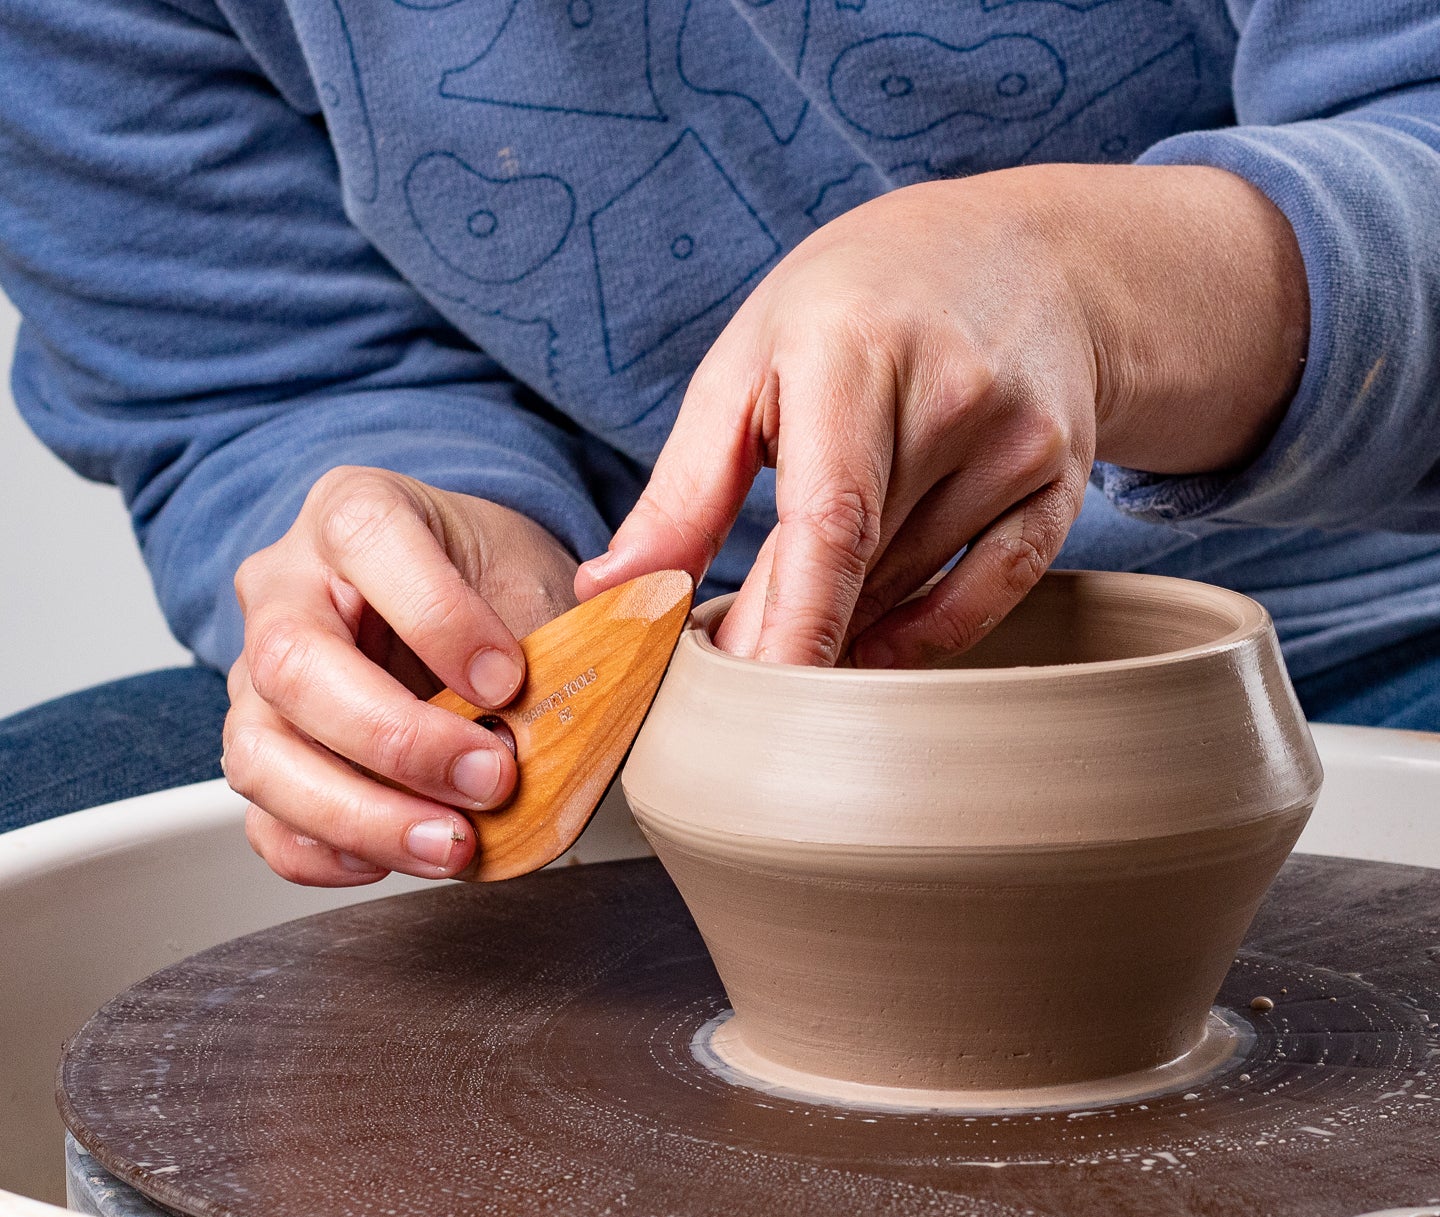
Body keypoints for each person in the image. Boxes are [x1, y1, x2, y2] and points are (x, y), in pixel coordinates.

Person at [1, 0, 1438, 876]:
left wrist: (1090, 287)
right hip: (662, 705)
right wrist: (432, 566)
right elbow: (261, 371)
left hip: (1364, 620)